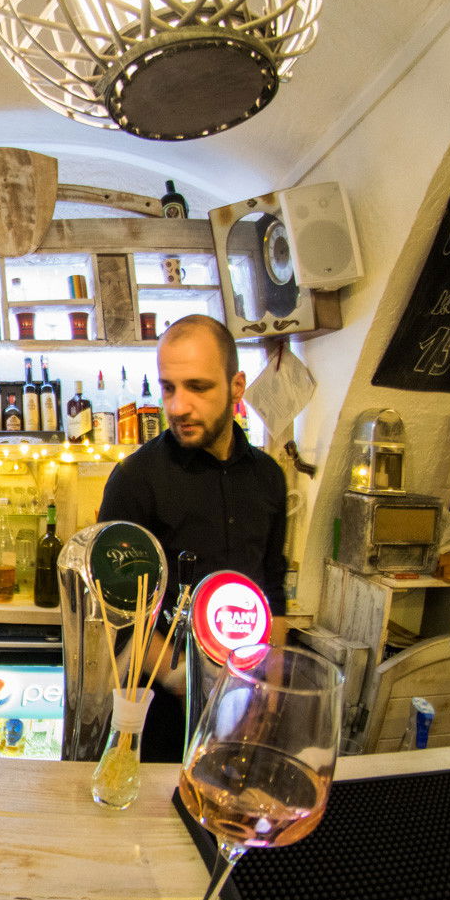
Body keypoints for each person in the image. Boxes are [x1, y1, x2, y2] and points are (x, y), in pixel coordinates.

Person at [97, 315, 288, 761]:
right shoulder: (134, 480)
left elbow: (273, 590)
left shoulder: (269, 478)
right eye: (169, 388)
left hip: (245, 703)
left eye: (198, 387)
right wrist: (182, 678)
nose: (179, 406)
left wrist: (270, 689)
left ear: (237, 386)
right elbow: (115, 613)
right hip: (160, 712)